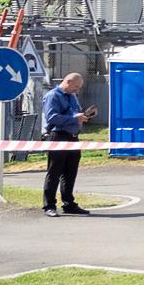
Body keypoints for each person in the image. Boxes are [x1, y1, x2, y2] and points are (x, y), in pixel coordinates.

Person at [41, 73, 95, 216]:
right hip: (58, 136)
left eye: (79, 88)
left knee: (70, 173)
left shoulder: (72, 96)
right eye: (76, 86)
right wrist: (74, 118)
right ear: (68, 81)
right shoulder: (53, 96)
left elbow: (75, 114)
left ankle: (69, 203)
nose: (77, 90)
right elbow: (52, 117)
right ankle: (49, 205)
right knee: (54, 172)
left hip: (73, 138)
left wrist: (83, 116)